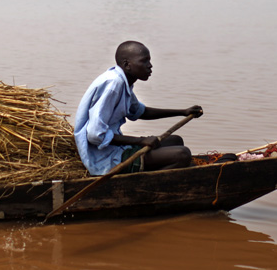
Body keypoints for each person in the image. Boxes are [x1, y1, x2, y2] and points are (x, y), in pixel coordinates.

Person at [73, 41, 203, 176]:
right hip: (105, 158)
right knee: (182, 154)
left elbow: (141, 112)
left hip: (117, 148)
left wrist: (183, 112)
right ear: (127, 65)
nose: (150, 65)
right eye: (144, 61)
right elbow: (95, 135)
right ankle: (147, 187)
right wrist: (140, 141)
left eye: (149, 60)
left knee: (176, 141)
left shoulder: (123, 82)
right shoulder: (113, 85)